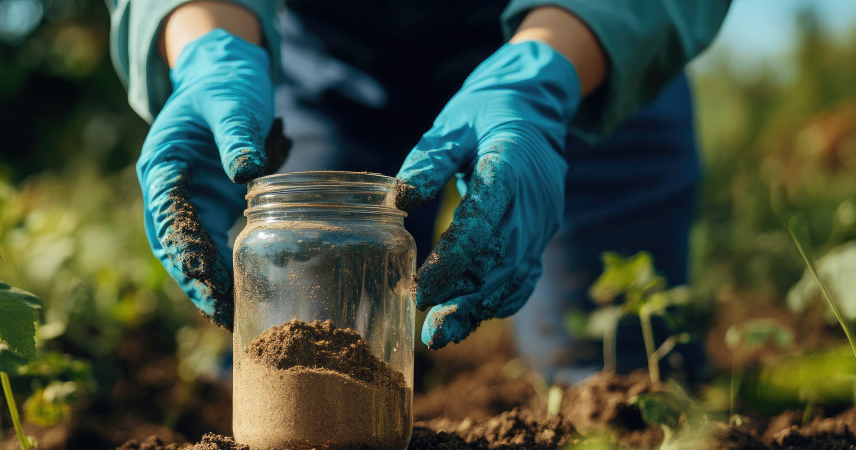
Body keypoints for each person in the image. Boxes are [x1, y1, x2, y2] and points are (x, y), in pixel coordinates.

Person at [105, 0, 731, 383]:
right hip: (335, 63)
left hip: (584, 48)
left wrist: (544, 76)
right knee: (308, 356)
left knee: (619, 376)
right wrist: (207, 41)